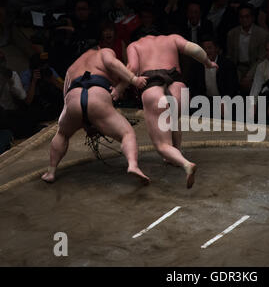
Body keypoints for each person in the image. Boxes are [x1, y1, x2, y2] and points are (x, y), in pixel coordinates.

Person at [113, 34, 218, 189]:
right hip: (177, 85)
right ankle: (176, 153)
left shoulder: (134, 45)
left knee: (162, 145)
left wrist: (118, 89)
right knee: (174, 121)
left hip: (152, 86)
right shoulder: (172, 38)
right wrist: (208, 62)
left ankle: (185, 164)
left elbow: (132, 69)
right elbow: (194, 49)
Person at [41, 47, 150, 184]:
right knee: (127, 134)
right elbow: (112, 63)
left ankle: (51, 172)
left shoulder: (72, 67)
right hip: (97, 96)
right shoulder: (103, 52)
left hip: (73, 100)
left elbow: (65, 98)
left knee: (62, 134)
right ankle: (133, 165)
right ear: (96, 47)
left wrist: (86, 123)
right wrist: (134, 80)